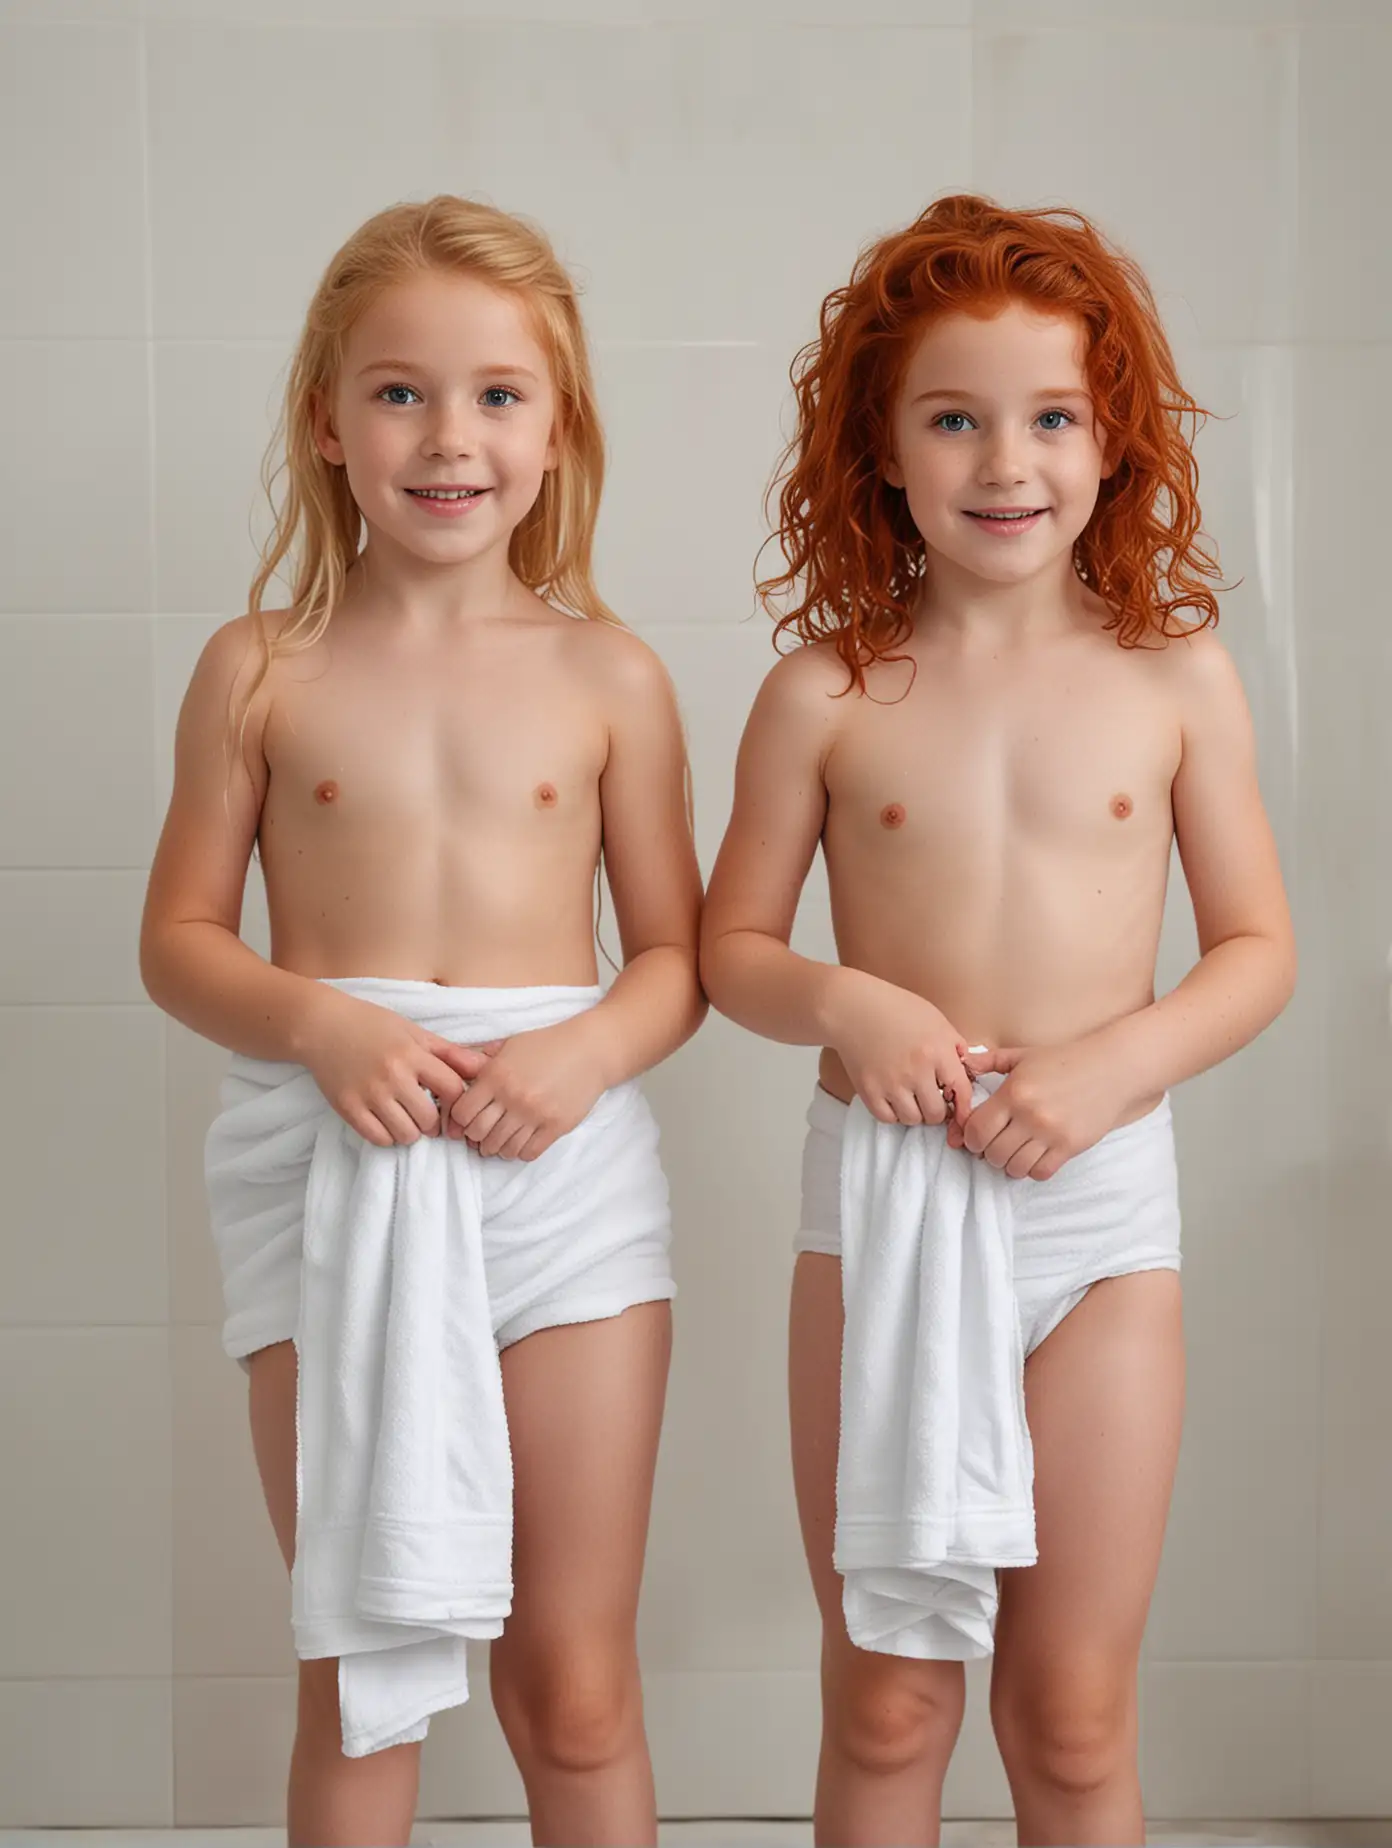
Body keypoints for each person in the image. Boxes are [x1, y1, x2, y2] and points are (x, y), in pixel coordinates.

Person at [699, 194, 1295, 1848]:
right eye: (952, 419)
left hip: (1095, 1222)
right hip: (883, 1205)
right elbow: (729, 946)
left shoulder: (1175, 676)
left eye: (1050, 417)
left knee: (1074, 1714)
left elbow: (1254, 949)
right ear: (879, 448)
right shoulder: (824, 692)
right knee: (887, 1696)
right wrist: (844, 999)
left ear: (1114, 440)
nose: (1003, 461)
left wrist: (1116, 1064)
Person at [140, 195, 703, 1848]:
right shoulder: (260, 666)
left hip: (565, 1179)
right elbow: (178, 942)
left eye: (497, 395)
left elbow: (673, 957)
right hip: (334, 1169)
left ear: (558, 424)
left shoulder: (613, 678)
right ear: (326, 419)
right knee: (357, 1664)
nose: (449, 437)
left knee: (576, 1681)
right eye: (399, 393)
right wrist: (320, 1029)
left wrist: (583, 1053)